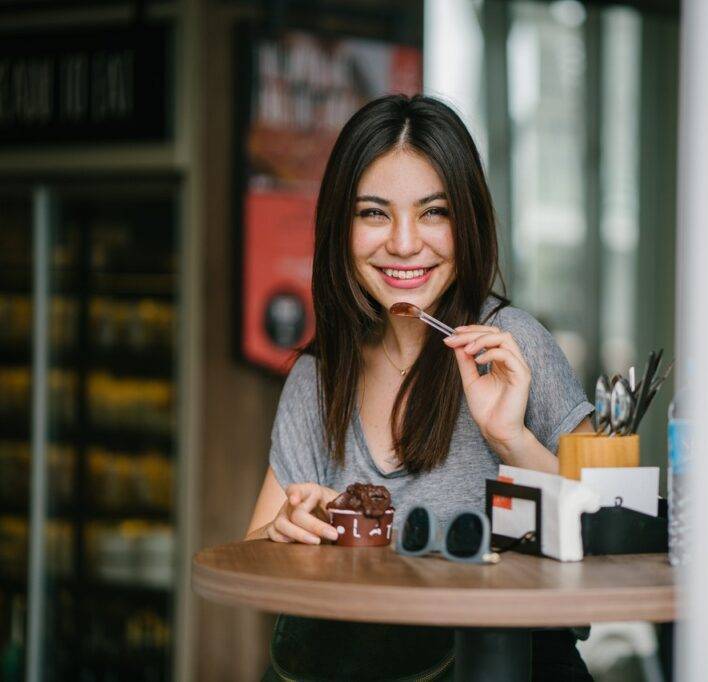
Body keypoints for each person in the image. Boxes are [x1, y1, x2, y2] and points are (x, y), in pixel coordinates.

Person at [246, 94, 595, 681]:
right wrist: (286, 531)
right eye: (374, 214)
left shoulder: (512, 346)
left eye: (434, 212)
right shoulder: (319, 376)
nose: (405, 244)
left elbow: (607, 541)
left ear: (469, 220)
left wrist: (511, 440)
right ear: (341, 227)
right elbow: (253, 553)